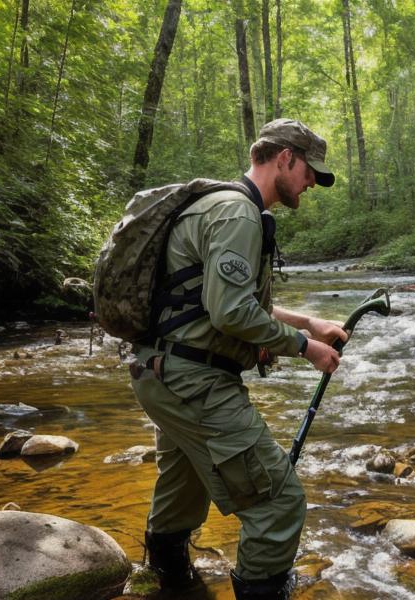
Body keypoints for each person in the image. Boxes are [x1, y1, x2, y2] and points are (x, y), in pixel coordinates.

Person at [130, 119, 346, 600]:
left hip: (160, 372)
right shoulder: (238, 215)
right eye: (310, 171)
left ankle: (170, 580)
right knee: (278, 502)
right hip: (194, 380)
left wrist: (308, 323)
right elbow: (230, 312)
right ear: (285, 158)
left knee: (184, 482)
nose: (312, 182)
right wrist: (304, 347)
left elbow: (214, 299)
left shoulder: (219, 206)